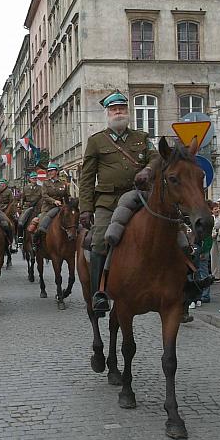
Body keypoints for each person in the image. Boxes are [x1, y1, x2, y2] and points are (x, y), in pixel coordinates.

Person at [78, 90, 160, 316]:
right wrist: (85, 209)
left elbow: (156, 157)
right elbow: (86, 178)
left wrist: (147, 169)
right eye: (114, 109)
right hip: (108, 202)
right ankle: (99, 294)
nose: (118, 112)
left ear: (127, 112)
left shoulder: (141, 138)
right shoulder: (96, 142)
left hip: (139, 198)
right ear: (108, 113)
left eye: (122, 109)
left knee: (173, 230)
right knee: (99, 241)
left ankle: (186, 285)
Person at [34, 164, 69, 249]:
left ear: (57, 172)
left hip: (61, 208)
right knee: (41, 225)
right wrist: (54, 201)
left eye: (52, 171)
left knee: (73, 223)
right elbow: (44, 195)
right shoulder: (46, 183)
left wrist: (69, 206)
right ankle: (37, 244)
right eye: (48, 171)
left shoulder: (63, 184)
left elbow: (67, 196)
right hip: (48, 208)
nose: (50, 172)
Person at [17, 172, 43, 247]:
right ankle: (20, 237)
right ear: (30, 179)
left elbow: (42, 198)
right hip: (28, 207)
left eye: (35, 178)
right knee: (20, 223)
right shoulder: (25, 188)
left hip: (38, 208)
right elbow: (22, 198)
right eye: (33, 178)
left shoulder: (40, 188)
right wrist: (20, 207)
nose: (34, 179)